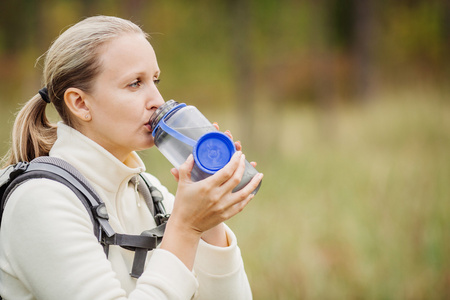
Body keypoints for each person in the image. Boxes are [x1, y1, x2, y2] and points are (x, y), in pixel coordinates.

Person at [0, 15, 263, 299]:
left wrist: (210, 221)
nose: (158, 101)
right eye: (135, 84)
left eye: (155, 80)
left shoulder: (149, 192)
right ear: (80, 103)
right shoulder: (40, 202)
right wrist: (186, 228)